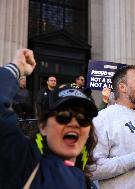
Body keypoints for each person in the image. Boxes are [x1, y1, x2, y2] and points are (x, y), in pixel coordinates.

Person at [0, 49, 98, 189]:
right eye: (63, 116)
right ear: (43, 126)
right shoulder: (22, 162)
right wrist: (16, 68)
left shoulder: (87, 184)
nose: (75, 123)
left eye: (83, 118)